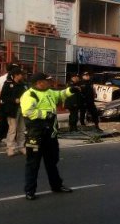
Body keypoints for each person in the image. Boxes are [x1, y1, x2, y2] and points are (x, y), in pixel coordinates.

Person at [21, 72, 79, 200]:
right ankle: (30, 191)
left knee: (52, 162)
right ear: (39, 83)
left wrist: (71, 90)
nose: (49, 82)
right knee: (33, 164)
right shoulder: (29, 95)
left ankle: (56, 186)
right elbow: (27, 111)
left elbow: (60, 94)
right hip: (35, 135)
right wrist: (46, 114)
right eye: (47, 81)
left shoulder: (49, 91)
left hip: (50, 134)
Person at [0, 67, 29, 156]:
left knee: (22, 129)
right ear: (16, 75)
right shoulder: (8, 84)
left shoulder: (23, 84)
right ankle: (10, 148)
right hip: (12, 110)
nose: (22, 76)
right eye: (21, 74)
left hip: (22, 109)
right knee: (12, 129)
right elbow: (3, 97)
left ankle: (21, 146)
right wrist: (13, 100)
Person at [0, 63, 19, 140]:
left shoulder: (0, 78)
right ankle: (11, 139)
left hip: (3, 103)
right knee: (13, 122)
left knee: (3, 120)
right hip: (13, 104)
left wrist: (2, 97)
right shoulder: (14, 79)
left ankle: (0, 136)